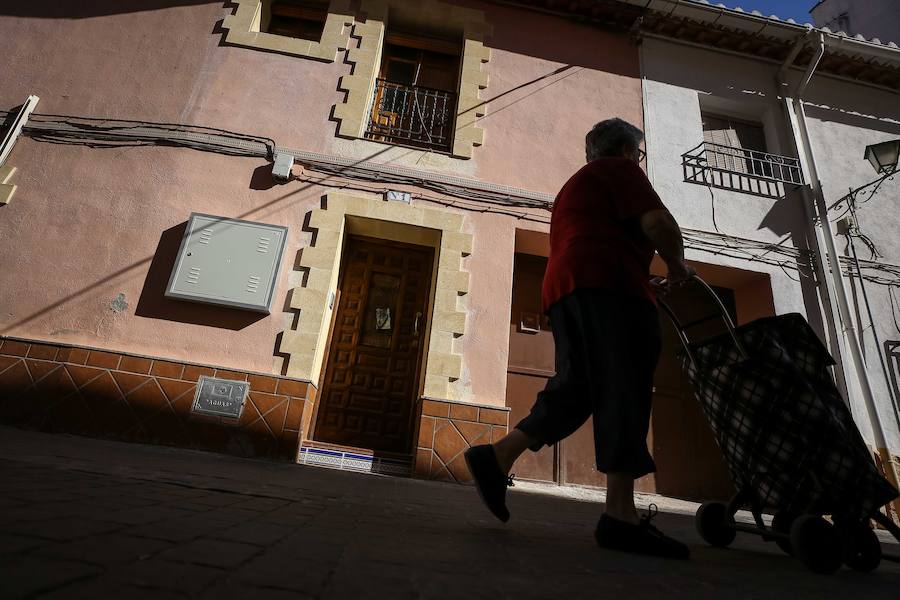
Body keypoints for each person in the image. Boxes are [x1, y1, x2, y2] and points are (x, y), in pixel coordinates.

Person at [464, 117, 695, 560]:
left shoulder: (576, 185)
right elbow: (659, 223)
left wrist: (643, 276)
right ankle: (620, 515)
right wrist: (679, 266)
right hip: (610, 290)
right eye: (639, 155)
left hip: (570, 288)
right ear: (629, 151)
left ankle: (499, 456)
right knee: (625, 388)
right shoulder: (622, 170)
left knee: (582, 384)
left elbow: (598, 240)